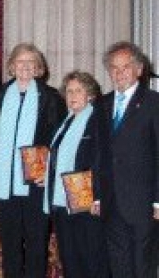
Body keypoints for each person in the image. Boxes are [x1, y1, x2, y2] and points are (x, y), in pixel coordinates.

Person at [0, 43, 63, 278]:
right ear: (12, 65)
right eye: (20, 62)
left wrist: (48, 173)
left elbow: (57, 140)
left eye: (30, 62)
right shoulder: (0, 94)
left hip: (36, 183)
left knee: (36, 244)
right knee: (10, 245)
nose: (25, 67)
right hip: (6, 183)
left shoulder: (50, 97)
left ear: (38, 67)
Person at [94, 42, 159, 278]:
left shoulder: (154, 103)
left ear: (139, 70)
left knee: (143, 267)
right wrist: (97, 195)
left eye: (126, 67)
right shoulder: (101, 104)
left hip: (144, 205)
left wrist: (158, 201)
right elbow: (98, 153)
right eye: (114, 68)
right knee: (118, 266)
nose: (119, 73)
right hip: (111, 203)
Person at [41, 71, 108, 278]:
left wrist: (98, 196)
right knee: (70, 259)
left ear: (90, 94)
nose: (73, 95)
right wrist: (47, 175)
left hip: (85, 201)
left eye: (79, 90)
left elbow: (101, 160)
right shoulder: (66, 122)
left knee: (90, 259)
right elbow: (59, 159)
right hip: (62, 201)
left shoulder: (97, 120)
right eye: (69, 91)